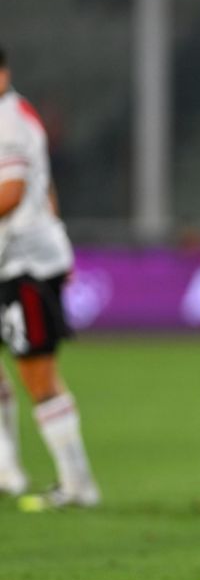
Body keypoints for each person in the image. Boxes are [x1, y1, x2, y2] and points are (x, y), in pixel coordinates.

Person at [0, 44, 101, 510]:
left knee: (38, 375)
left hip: (25, 266)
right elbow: (45, 189)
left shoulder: (8, 121)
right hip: (17, 260)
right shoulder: (18, 114)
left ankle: (78, 484)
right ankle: (7, 470)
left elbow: (12, 192)